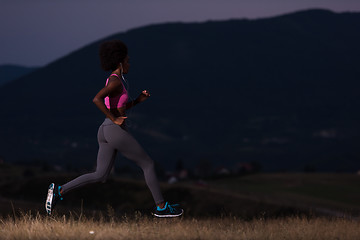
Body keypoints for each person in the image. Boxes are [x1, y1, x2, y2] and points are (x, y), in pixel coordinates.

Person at [45, 39, 183, 218]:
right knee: (148, 164)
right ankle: (162, 207)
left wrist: (138, 101)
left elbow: (118, 107)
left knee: (100, 175)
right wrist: (115, 119)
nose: (129, 64)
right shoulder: (116, 81)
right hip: (113, 129)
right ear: (120, 62)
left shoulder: (115, 80)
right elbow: (96, 99)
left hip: (104, 130)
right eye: (128, 61)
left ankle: (59, 190)